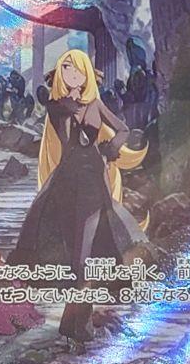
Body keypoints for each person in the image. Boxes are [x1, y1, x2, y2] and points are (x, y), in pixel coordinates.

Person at [12, 48, 149, 340]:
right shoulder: (57, 106)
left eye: (76, 69)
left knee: (87, 251)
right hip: (67, 181)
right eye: (66, 69)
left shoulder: (96, 104)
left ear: (86, 73)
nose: (71, 75)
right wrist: (74, 106)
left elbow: (123, 129)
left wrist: (111, 149)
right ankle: (73, 321)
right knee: (74, 251)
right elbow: (65, 130)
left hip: (93, 182)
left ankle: (77, 321)